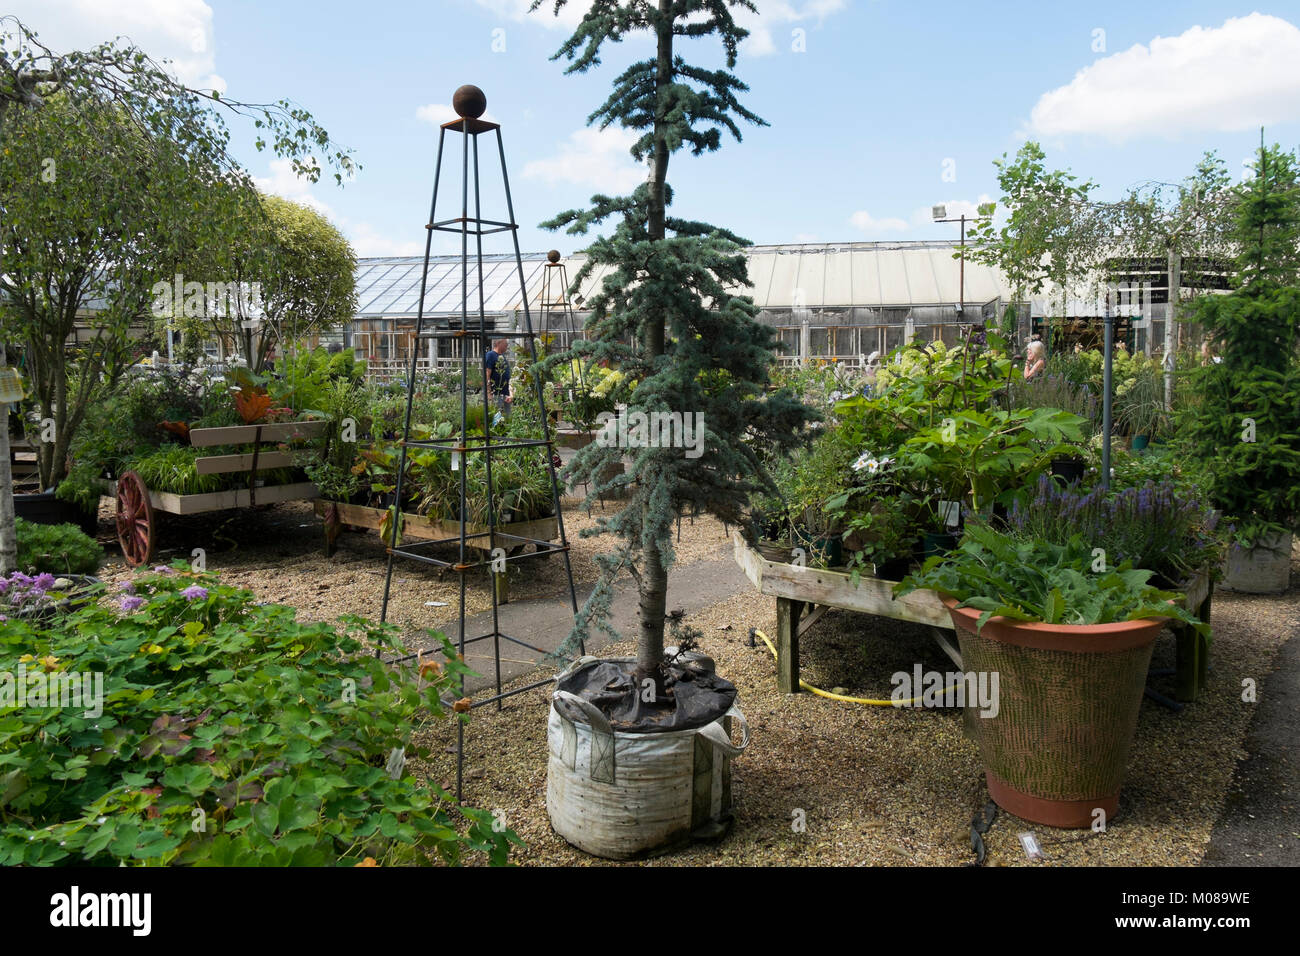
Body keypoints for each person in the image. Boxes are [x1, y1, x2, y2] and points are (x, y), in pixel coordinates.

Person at [484, 337, 512, 415]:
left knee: (508, 417)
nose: (507, 344)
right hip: (496, 393)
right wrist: (489, 393)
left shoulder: (502, 356)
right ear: (498, 343)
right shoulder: (490, 355)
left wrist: (510, 393)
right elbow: (487, 375)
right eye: (505, 343)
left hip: (505, 393)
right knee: (497, 417)